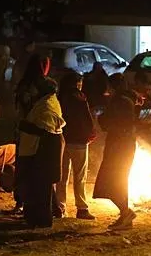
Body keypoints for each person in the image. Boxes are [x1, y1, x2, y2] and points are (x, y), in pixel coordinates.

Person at [18, 77, 65, 228]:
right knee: (40, 186)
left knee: (41, 187)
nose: (32, 91)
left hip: (43, 151)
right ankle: (43, 216)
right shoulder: (45, 102)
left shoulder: (47, 105)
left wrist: (25, 126)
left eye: (34, 88)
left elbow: (46, 131)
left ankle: (42, 220)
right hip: (40, 149)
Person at [93, 74, 138, 230]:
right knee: (118, 181)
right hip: (124, 145)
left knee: (112, 181)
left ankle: (126, 213)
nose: (108, 90)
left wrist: (101, 117)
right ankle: (125, 216)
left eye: (110, 87)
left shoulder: (119, 101)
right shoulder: (127, 99)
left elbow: (108, 122)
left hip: (119, 147)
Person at [11, 53, 51, 214]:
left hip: (26, 130)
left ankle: (23, 201)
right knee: (31, 167)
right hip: (33, 131)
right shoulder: (40, 86)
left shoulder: (25, 83)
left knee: (25, 166)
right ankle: (26, 202)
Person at [56, 71, 97, 220]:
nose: (81, 85)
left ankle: (59, 208)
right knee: (79, 176)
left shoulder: (59, 98)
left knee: (61, 176)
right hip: (79, 142)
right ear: (76, 83)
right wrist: (91, 133)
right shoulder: (80, 98)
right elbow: (86, 119)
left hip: (63, 140)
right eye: (80, 82)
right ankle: (82, 208)